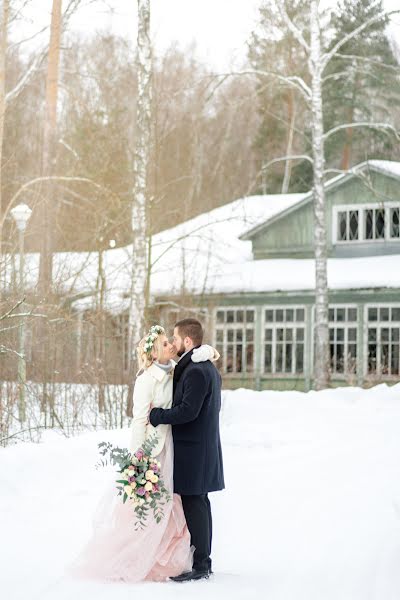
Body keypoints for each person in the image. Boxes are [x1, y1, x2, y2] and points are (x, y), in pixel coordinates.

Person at [69, 325, 217, 583]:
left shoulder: (175, 370)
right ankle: (139, 556)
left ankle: (179, 558)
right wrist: (138, 459)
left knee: (175, 507)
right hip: (153, 452)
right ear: (153, 354)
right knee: (151, 508)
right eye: (164, 343)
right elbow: (139, 421)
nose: (171, 344)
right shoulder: (145, 379)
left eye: (172, 340)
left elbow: (192, 362)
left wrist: (207, 351)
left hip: (173, 449)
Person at [150, 318, 225, 582]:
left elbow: (188, 412)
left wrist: (158, 415)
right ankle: (202, 562)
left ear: (188, 341)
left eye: (175, 337)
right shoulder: (204, 368)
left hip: (195, 451)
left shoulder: (196, 371)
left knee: (196, 504)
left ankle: (202, 566)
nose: (172, 341)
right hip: (200, 449)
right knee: (199, 504)